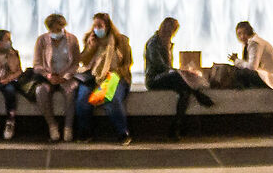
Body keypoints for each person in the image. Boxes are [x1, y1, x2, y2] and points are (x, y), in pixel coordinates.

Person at [144, 17, 217, 139]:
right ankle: (199, 95)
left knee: (184, 92)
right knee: (179, 77)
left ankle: (175, 127)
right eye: (171, 30)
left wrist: (181, 71)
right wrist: (178, 71)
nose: (172, 33)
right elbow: (160, 66)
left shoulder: (167, 42)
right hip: (153, 80)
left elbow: (168, 68)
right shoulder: (153, 43)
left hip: (166, 78)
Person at [74, 12, 134, 144]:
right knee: (82, 100)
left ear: (107, 26)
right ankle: (85, 132)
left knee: (112, 99)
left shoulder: (121, 40)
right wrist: (91, 48)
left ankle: (123, 132)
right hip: (93, 77)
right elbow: (83, 61)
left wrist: (112, 75)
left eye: (100, 26)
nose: (97, 29)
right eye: (95, 26)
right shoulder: (90, 40)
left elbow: (127, 62)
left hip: (116, 76)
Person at [27, 13, 82, 141]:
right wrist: (48, 75)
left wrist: (66, 76)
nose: (56, 32)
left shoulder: (72, 40)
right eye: (53, 30)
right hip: (49, 77)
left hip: (66, 77)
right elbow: (37, 64)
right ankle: (52, 125)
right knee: (41, 91)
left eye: (59, 29)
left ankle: (68, 127)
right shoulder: (42, 40)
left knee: (71, 92)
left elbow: (75, 63)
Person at [218, 21, 273, 91]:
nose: (242, 36)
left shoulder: (254, 43)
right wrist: (237, 61)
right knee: (236, 71)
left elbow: (252, 67)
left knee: (238, 73)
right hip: (268, 77)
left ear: (249, 32)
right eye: (239, 34)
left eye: (244, 33)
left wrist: (236, 61)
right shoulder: (248, 43)